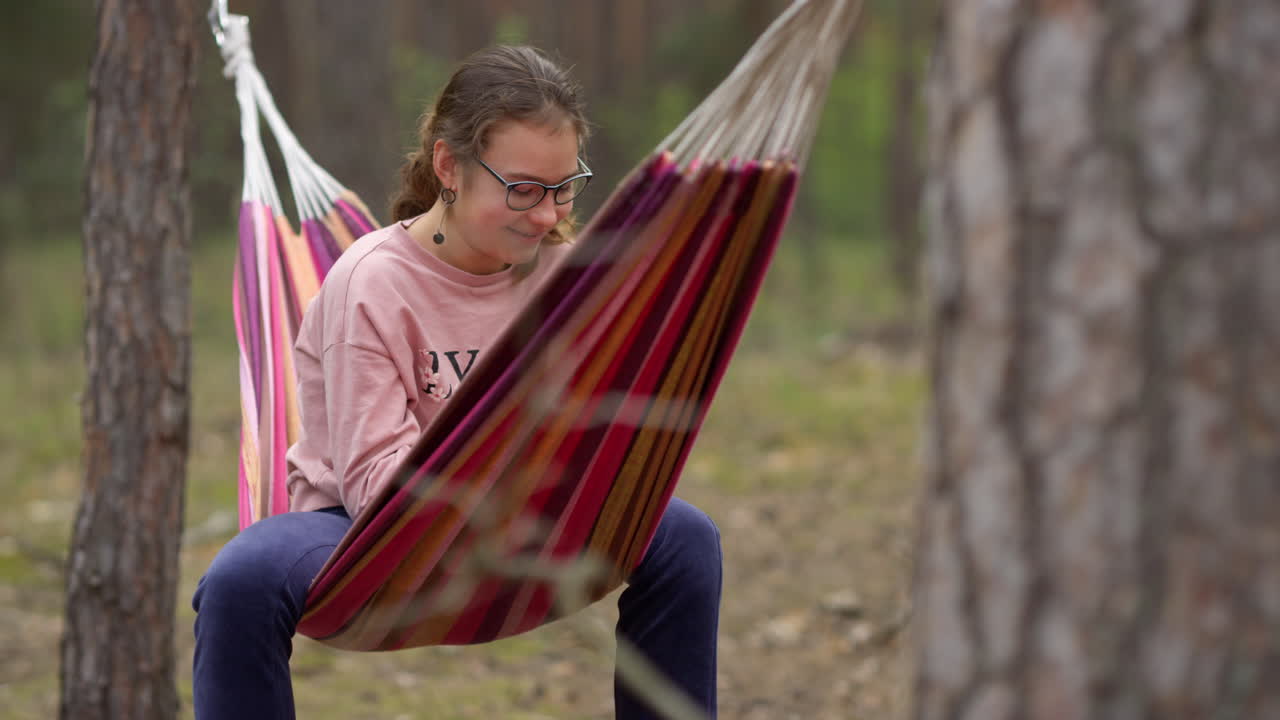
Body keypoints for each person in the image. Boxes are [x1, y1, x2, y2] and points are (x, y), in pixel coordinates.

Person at [192, 45, 722, 720]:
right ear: (449, 166)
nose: (545, 215)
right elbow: (370, 485)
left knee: (684, 537)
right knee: (243, 578)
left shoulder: (565, 275)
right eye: (524, 189)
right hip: (365, 542)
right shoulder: (371, 284)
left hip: (527, 520)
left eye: (563, 188)